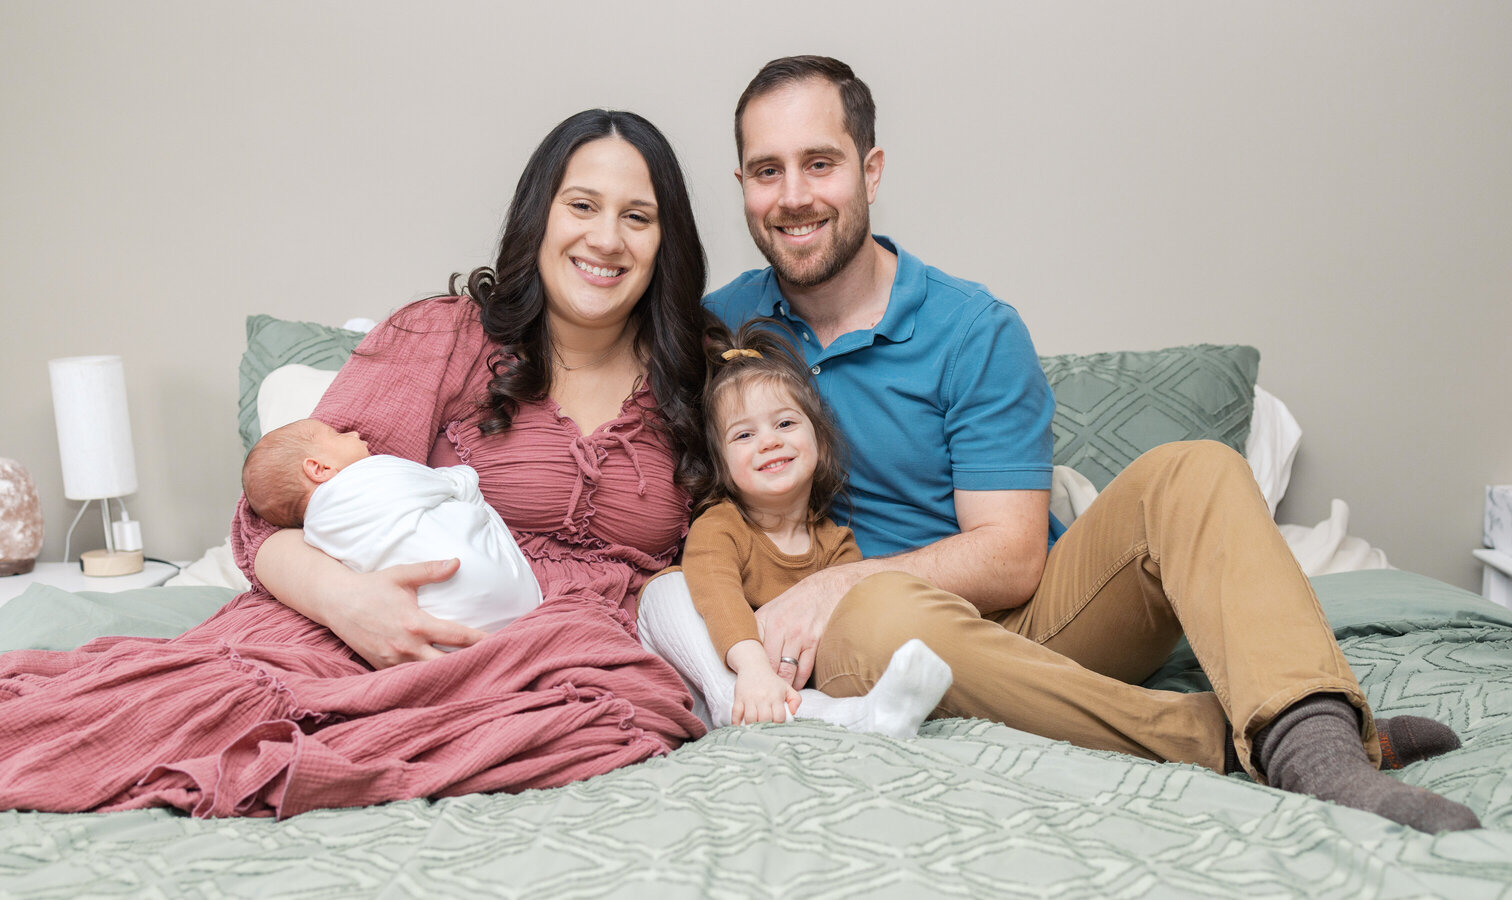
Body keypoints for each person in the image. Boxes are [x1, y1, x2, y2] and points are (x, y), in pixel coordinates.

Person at [644, 56, 1478, 833]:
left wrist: (840, 583)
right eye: (767, 170)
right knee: (881, 615)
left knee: (1196, 470)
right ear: (743, 185)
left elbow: (1012, 558)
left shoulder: (971, 328)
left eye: (820, 163)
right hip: (879, 647)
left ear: (871, 170)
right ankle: (1224, 739)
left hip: (1043, 624)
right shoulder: (719, 332)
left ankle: (1320, 747)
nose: (793, 195)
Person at [0, 109, 715, 819]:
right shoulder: (444, 338)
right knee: (159, 721)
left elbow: (740, 548)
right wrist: (350, 604)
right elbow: (271, 520)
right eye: (582, 205)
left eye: (637, 216)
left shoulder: (702, 379)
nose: (606, 239)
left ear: (665, 240)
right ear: (539, 216)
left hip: (579, 657)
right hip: (364, 629)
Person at [642, 323, 951, 736]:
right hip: (699, 678)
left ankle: (866, 716)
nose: (769, 441)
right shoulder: (720, 524)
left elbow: (841, 634)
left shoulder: (836, 546)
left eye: (785, 424)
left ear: (819, 439)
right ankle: (728, 699)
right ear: (722, 467)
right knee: (667, 588)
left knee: (840, 643)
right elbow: (717, 598)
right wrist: (752, 667)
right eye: (744, 434)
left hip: (775, 696)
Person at [241, 418, 541, 637]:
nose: (355, 433)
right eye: (339, 434)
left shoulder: (315, 534)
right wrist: (465, 479)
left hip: (435, 628)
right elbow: (448, 483)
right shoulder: (372, 473)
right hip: (497, 591)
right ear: (318, 468)